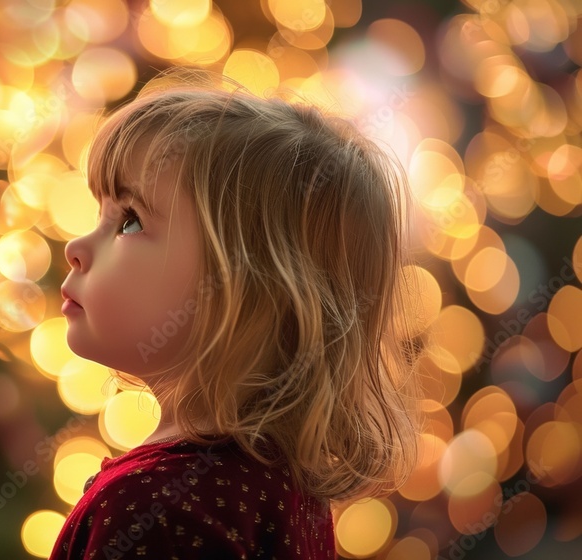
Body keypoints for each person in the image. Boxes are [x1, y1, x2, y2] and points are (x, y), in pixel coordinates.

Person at [53, 69, 424, 560]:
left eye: (130, 220)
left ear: (242, 291)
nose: (76, 248)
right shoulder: (275, 485)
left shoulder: (157, 510)